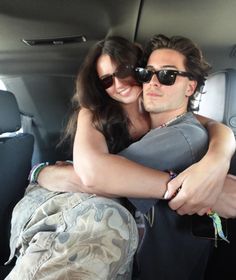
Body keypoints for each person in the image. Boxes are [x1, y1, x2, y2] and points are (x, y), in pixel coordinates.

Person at [6, 35, 235, 280]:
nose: (120, 84)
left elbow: (96, 178)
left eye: (167, 76)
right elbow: (98, 176)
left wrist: (43, 172)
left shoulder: (184, 133)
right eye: (148, 74)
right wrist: (179, 183)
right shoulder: (101, 114)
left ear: (190, 87)